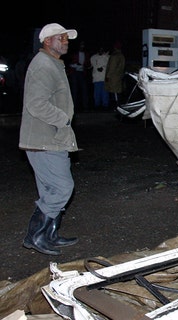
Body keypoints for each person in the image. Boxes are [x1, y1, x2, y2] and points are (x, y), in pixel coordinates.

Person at [19, 23, 80, 256]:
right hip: (45, 138)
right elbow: (36, 103)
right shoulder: (44, 65)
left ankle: (49, 235)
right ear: (47, 41)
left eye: (66, 38)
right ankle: (34, 235)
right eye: (61, 38)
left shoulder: (53, 63)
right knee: (63, 187)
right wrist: (63, 119)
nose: (65, 41)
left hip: (51, 138)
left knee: (49, 189)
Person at [68, 41, 91, 109]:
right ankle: (73, 106)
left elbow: (88, 64)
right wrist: (76, 65)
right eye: (81, 45)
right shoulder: (74, 54)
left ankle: (85, 106)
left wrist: (85, 66)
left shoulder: (86, 54)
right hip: (74, 73)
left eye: (83, 45)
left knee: (84, 89)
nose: (82, 46)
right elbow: (69, 64)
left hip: (82, 73)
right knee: (74, 90)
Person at [105, 41, 125, 107]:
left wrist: (107, 76)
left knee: (114, 92)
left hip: (113, 77)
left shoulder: (115, 56)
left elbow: (112, 67)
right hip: (119, 76)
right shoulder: (122, 56)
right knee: (117, 92)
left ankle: (116, 106)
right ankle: (118, 106)